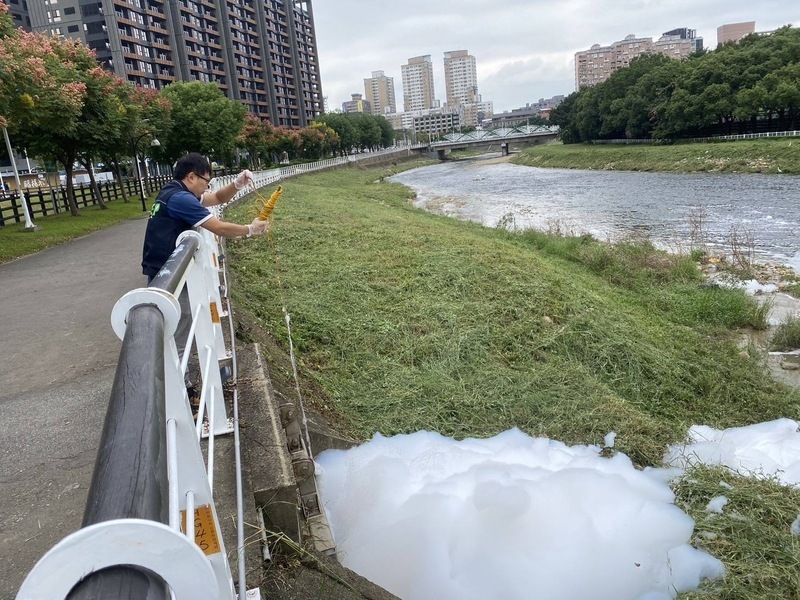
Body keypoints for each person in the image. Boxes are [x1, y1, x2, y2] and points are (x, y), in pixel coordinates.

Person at [141, 153, 269, 404]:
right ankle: (180, 394)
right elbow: (218, 227)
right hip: (170, 277)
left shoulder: (173, 192)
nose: (207, 187)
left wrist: (237, 184)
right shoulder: (181, 199)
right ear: (191, 176)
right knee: (178, 335)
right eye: (205, 182)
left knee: (178, 331)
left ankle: (180, 387)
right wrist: (250, 230)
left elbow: (218, 198)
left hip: (162, 271)